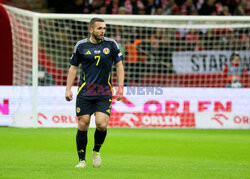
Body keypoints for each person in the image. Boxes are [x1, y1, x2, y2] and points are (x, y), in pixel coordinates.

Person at [65, 18, 124, 168]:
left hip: (104, 92)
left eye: (104, 28)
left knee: (101, 125)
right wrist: (68, 88)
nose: (102, 31)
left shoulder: (111, 44)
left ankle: (96, 151)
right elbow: (73, 67)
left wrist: (120, 86)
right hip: (85, 91)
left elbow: (119, 65)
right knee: (83, 124)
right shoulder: (81, 45)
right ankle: (81, 160)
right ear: (91, 30)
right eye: (99, 28)